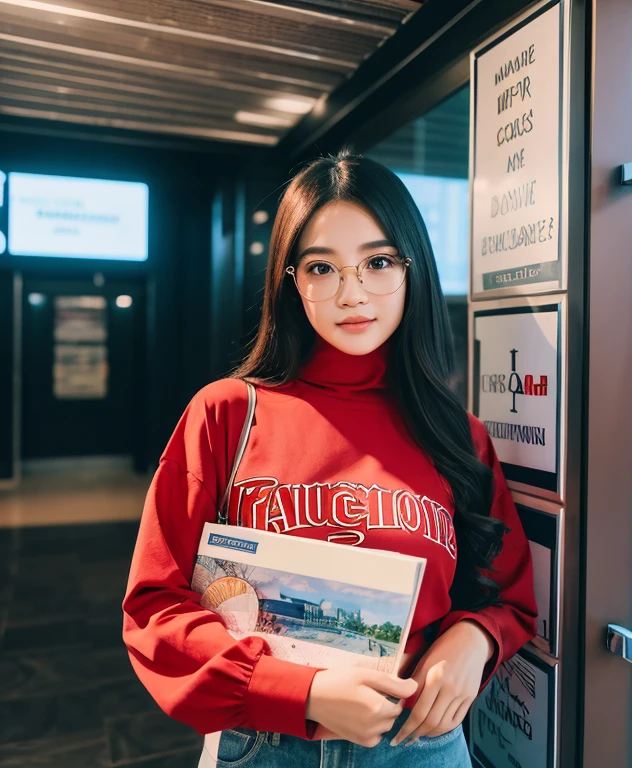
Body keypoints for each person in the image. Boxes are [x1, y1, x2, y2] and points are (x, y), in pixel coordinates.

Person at [122, 149, 537, 768]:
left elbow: (509, 596)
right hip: (263, 744)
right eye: (322, 268)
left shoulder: (459, 435)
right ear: (291, 281)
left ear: (412, 268)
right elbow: (154, 609)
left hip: (417, 745)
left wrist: (474, 638)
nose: (353, 293)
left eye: (377, 262)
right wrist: (300, 691)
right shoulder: (228, 414)